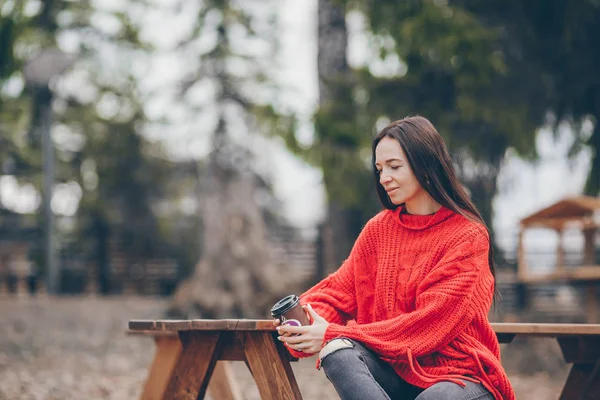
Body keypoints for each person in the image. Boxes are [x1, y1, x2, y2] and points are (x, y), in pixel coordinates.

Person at [274, 116, 515, 400]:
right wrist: (306, 322)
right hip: (394, 371)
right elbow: (339, 292)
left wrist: (328, 332)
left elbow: (429, 324)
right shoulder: (379, 230)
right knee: (337, 351)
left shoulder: (467, 236)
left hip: (461, 375)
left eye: (394, 166)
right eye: (379, 168)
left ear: (425, 166)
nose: (383, 177)